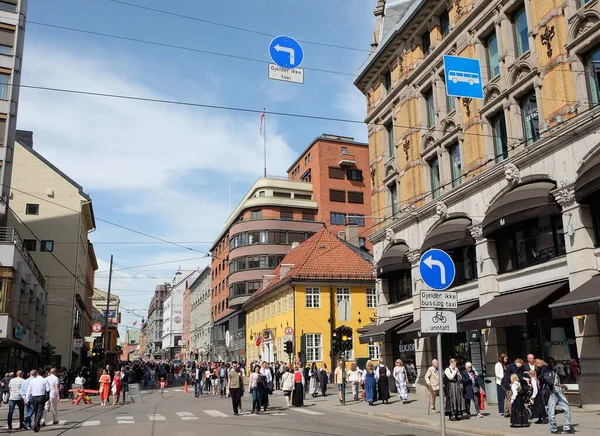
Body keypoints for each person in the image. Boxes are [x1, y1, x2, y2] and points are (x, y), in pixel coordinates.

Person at [541, 358, 573, 434]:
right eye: (551, 362)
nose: (552, 364)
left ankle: (567, 427)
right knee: (551, 412)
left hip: (559, 392)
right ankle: (553, 428)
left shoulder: (555, 370)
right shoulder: (546, 371)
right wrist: (561, 385)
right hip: (552, 393)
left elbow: (558, 378)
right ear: (548, 363)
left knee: (567, 409)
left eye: (553, 362)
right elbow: (550, 381)